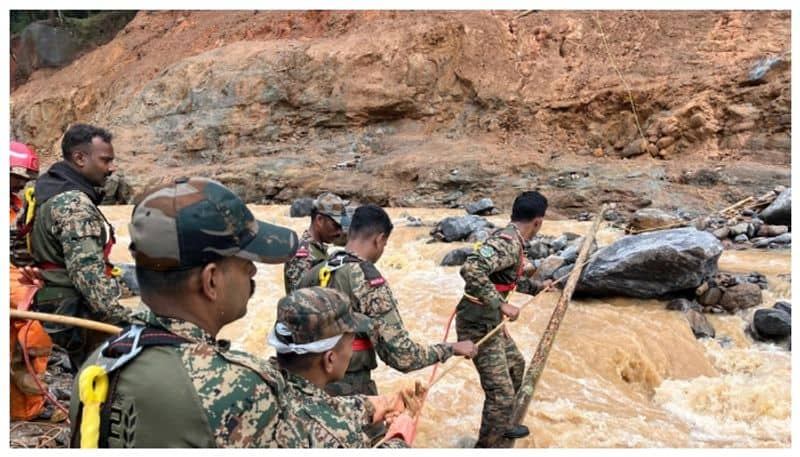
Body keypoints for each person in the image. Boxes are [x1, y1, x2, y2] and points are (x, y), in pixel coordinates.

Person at [68, 176, 301, 447]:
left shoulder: (100, 363)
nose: (253, 271)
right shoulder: (238, 386)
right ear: (211, 281)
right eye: (245, 263)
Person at [298, 204, 478, 397]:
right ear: (379, 239)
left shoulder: (315, 271)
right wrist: (451, 348)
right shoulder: (366, 278)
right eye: (384, 244)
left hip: (306, 387)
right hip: (348, 393)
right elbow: (402, 356)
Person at [27, 124, 129, 369]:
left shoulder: (43, 191)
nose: (111, 168)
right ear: (80, 158)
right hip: (74, 311)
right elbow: (88, 276)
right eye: (105, 160)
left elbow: (17, 246)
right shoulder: (74, 203)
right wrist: (126, 320)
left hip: (51, 304)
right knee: (101, 381)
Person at [269, 287, 420, 447]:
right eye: (351, 343)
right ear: (330, 359)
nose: (352, 351)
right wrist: (401, 433)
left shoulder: (258, 382)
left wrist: (379, 405)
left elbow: (311, 405)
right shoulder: (337, 436)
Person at [455, 190, 548, 447]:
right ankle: (487, 446)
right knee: (501, 393)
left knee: (516, 366)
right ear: (538, 222)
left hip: (491, 322)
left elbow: (505, 281)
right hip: (477, 325)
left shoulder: (513, 241)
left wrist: (538, 287)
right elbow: (470, 268)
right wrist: (501, 306)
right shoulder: (507, 242)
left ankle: (503, 425)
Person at [9, 140, 55, 421]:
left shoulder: (19, 205)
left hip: (18, 281)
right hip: (13, 287)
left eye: (23, 180)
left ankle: (23, 410)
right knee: (32, 329)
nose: (19, 184)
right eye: (15, 178)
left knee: (24, 338)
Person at [283, 192, 346, 294]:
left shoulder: (317, 250)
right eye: (335, 225)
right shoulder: (304, 256)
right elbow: (300, 298)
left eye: (341, 226)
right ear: (319, 220)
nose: (340, 232)